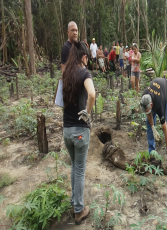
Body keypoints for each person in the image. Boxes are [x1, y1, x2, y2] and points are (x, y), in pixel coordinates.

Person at [62, 41, 95, 225]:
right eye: (87, 58)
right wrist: (87, 113)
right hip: (80, 131)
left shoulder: (66, 73)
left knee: (75, 166)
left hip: (67, 131)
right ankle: (79, 211)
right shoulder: (84, 73)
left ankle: (75, 202)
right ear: (84, 57)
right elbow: (92, 94)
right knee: (80, 170)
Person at [140, 78, 167, 168]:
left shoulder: (159, 105)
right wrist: (153, 128)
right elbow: (148, 113)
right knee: (149, 122)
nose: (147, 112)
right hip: (157, 93)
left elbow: (165, 130)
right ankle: (151, 153)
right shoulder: (144, 97)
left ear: (151, 105)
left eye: (148, 109)